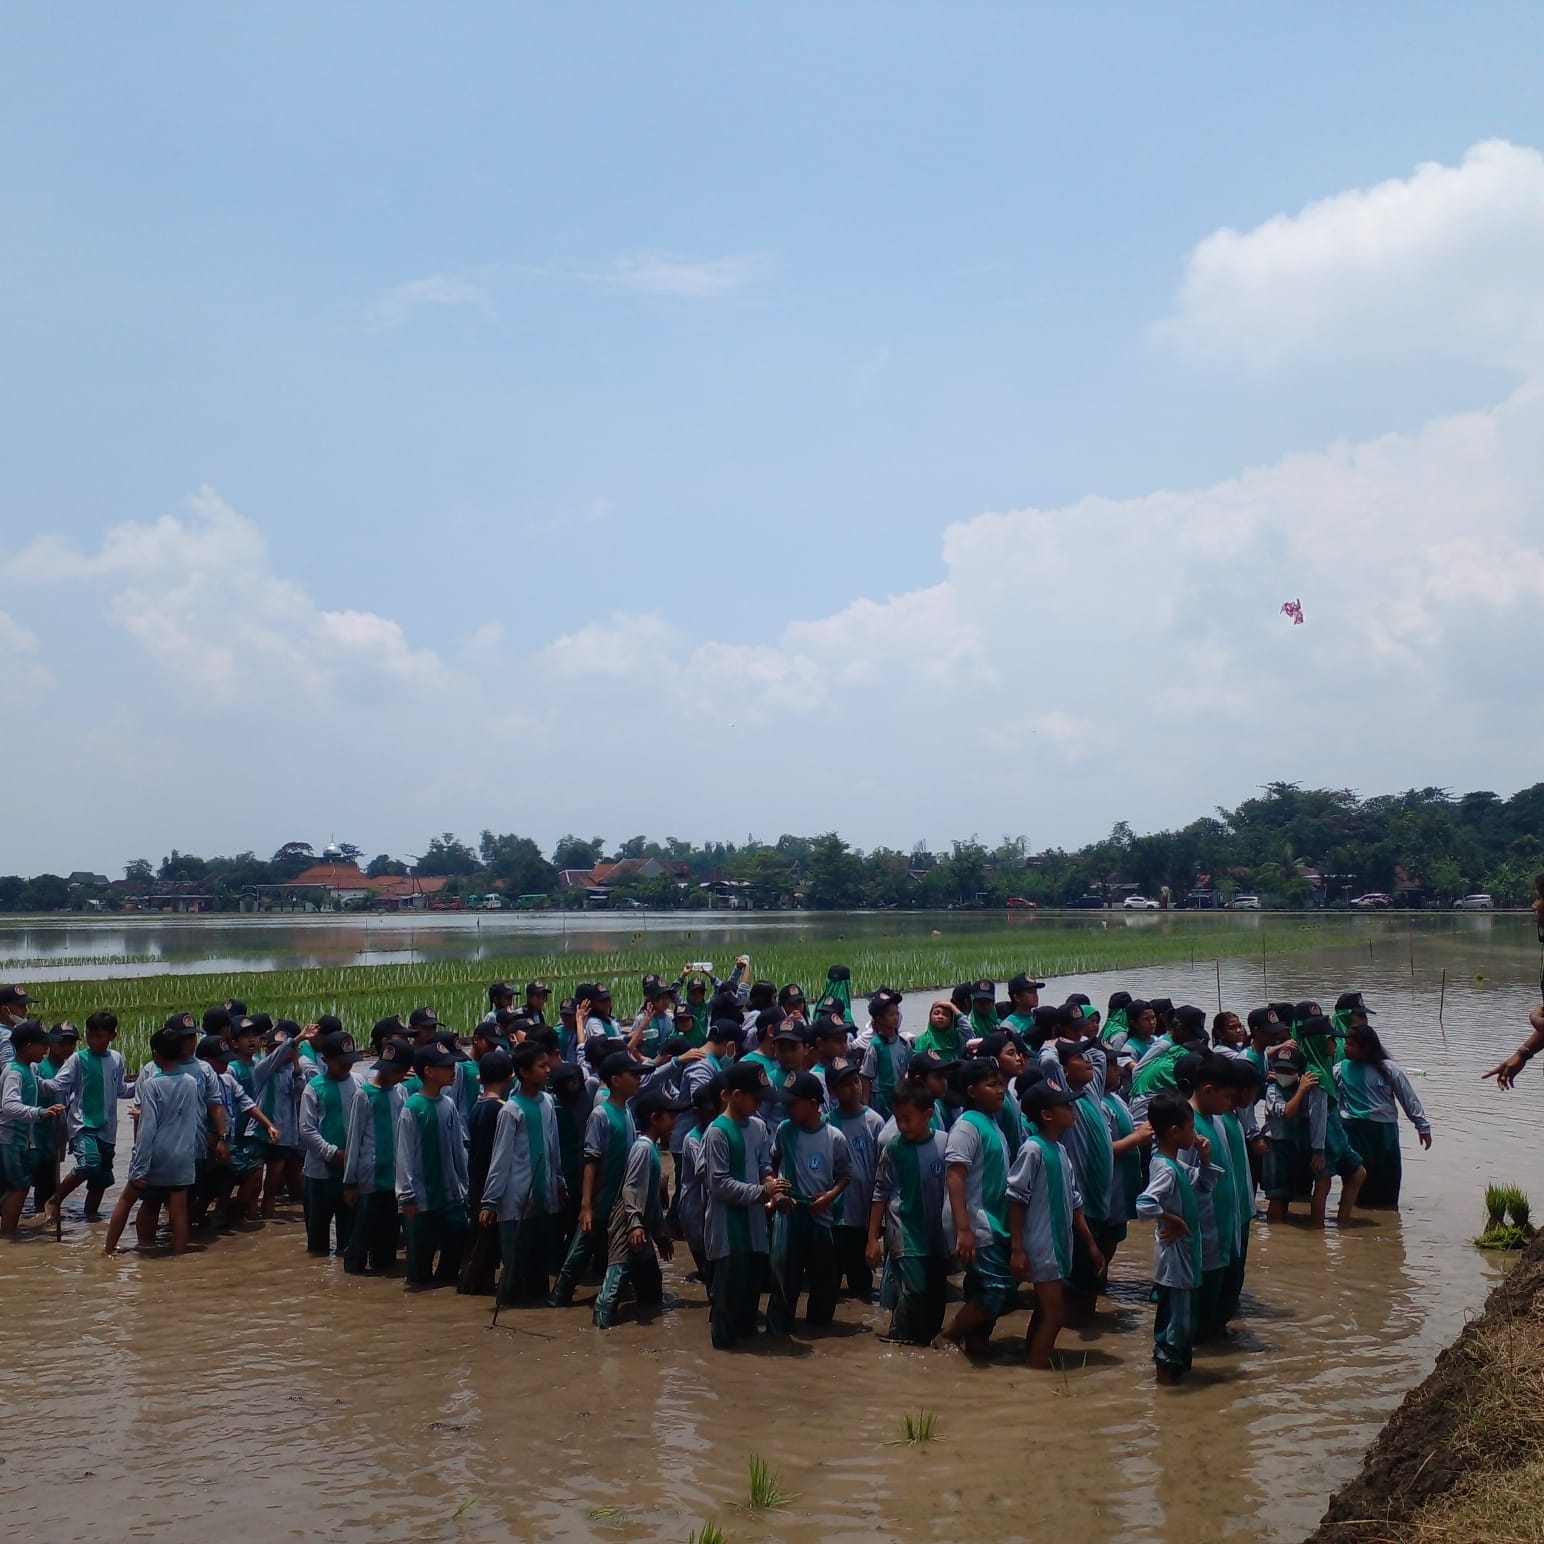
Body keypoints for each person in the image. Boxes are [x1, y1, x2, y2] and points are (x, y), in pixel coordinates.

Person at [1008, 1075, 1101, 1369]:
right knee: (1056, 1314)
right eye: (1065, 1106)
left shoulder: (1060, 1150)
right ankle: (1037, 1371)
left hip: (1059, 1244)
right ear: (1047, 1115)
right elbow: (1015, 1199)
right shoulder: (1032, 1149)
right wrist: (1018, 1249)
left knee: (1045, 1310)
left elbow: (1074, 1203)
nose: (1072, 1111)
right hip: (1041, 1245)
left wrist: (1091, 1245)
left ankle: (1033, 1356)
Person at [1136, 1091, 1219, 1384]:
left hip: (1184, 1260)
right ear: (1174, 1131)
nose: (1194, 1134)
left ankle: (1175, 1386)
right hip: (1175, 1263)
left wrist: (1205, 1159)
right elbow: (1144, 1204)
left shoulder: (1174, 1166)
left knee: (1182, 1324)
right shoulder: (1166, 1169)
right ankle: (1167, 1385)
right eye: (1190, 1128)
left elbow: (1203, 1185)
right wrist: (1170, 1218)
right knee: (1174, 1328)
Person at [704, 1061, 787, 1349]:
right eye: (756, 1098)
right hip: (727, 1233)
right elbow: (719, 1184)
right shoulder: (717, 1132)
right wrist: (763, 1192)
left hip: (754, 1230)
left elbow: (764, 1166)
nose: (760, 1104)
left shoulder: (758, 1127)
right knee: (725, 1307)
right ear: (736, 1095)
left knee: (749, 1306)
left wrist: (775, 1190)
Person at [550, 1051, 642, 1306]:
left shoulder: (626, 1111)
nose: (638, 1080)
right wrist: (587, 1205)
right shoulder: (601, 1114)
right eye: (633, 1075)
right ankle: (558, 1298)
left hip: (619, 1200)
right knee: (580, 1250)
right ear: (616, 1081)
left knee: (609, 1251)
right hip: (601, 1199)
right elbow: (591, 1160)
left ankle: (617, 1293)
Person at [104, 1026, 204, 1255]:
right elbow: (191, 1120)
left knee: (126, 1200)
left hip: (157, 1155)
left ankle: (107, 1250)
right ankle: (181, 1255)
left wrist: (139, 1165)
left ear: (155, 1054)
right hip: (182, 1155)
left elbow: (147, 1128)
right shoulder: (191, 1082)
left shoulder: (152, 1084)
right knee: (179, 1210)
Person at [480, 1043, 566, 1306]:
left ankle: (536, 1312)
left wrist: (558, 1181)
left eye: (547, 1065)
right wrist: (490, 1200)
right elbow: (501, 1157)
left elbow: (553, 1146)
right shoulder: (511, 1110)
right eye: (542, 1066)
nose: (548, 1070)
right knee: (514, 1267)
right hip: (516, 1201)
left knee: (540, 1267)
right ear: (524, 1072)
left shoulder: (548, 1102)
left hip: (543, 1197)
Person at [767, 1071, 851, 1334]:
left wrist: (830, 1196)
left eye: (792, 1103)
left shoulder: (834, 1137)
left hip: (820, 1216)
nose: (787, 1108)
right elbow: (771, 1164)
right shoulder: (784, 1130)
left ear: (813, 1104)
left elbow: (845, 1175)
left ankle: (820, 1333)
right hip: (789, 1215)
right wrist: (776, 1194)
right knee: (784, 1278)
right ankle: (779, 1331)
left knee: (824, 1282)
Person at [942, 1059, 1015, 1356]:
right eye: (991, 1085)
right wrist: (964, 1229)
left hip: (995, 1222)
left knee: (980, 1289)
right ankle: (947, 1335)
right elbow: (955, 1175)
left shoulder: (991, 1123)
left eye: (1001, 1084)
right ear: (972, 1091)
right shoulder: (967, 1126)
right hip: (978, 1224)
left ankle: (975, 1348)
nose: (1000, 1090)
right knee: (999, 1291)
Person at [868, 1084, 951, 1344]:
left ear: (928, 1114)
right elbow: (879, 1194)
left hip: (937, 1232)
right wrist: (872, 1239)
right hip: (904, 1230)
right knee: (914, 1289)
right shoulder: (893, 1149)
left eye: (908, 1119)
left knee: (936, 1292)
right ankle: (900, 1337)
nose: (902, 1126)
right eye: (898, 1120)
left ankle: (927, 1342)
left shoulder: (945, 1143)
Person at [594, 1090, 676, 1328]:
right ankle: (600, 1328)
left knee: (652, 1290)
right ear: (654, 1118)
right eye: (670, 1117)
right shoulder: (643, 1148)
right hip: (628, 1225)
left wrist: (661, 1236)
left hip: (642, 1226)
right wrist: (634, 1223)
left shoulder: (650, 1148)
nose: (674, 1123)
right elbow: (631, 1188)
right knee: (613, 1284)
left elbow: (651, 1199)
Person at [44, 1010, 135, 1224]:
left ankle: (91, 1220)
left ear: (112, 1036)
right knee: (89, 1163)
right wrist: (32, 1081)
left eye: (100, 1036)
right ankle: (55, 1200)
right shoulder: (78, 1059)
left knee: (100, 1179)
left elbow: (120, 1090)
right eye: (90, 1036)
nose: (94, 1041)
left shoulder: (116, 1058)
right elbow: (57, 1084)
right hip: (83, 1124)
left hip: (108, 1128)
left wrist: (143, 1084)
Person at [395, 1041, 470, 1289]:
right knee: (419, 1271)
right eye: (446, 1066)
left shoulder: (448, 1105)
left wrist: (464, 1186)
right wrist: (406, 1196)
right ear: (428, 1071)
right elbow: (404, 1155)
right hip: (420, 1201)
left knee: (452, 1259)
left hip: (450, 1197)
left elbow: (457, 1150)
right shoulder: (412, 1108)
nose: (453, 1070)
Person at [1336, 1022, 1431, 1207]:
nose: (1346, 1048)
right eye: (1346, 1044)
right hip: (1354, 1131)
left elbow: (1408, 1099)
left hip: (1383, 1132)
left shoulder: (1389, 1069)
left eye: (1351, 1044)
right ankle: (1356, 1214)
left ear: (1366, 1047)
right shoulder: (1340, 1069)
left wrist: (1422, 1126)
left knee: (1388, 1178)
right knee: (1356, 1178)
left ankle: (1387, 1212)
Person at [342, 1037, 415, 1275]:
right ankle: (354, 1269)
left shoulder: (401, 1092)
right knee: (363, 1230)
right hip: (369, 1177)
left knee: (388, 1231)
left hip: (393, 1177)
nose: (398, 1076)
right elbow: (354, 1139)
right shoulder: (363, 1095)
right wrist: (350, 1181)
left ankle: (383, 1265)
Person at [298, 1029, 364, 1258]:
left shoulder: (358, 1082)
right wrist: (333, 1153)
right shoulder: (314, 1088)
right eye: (340, 1062)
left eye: (349, 1061)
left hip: (350, 1172)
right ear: (325, 1060)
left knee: (349, 1239)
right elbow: (307, 1129)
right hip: (319, 1174)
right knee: (317, 1245)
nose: (346, 1066)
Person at [0, 1022, 66, 1234]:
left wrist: (65, 1081)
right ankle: (8, 1236)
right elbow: (9, 1105)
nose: (46, 1049)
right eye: (43, 1045)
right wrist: (39, 1112)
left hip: (17, 1138)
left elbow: (40, 1085)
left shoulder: (28, 1069)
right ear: (28, 1047)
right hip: (11, 1137)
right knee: (19, 1187)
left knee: (10, 1187)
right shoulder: (14, 1072)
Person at [459, 1047, 514, 1295]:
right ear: (510, 1077)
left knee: (479, 1242)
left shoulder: (479, 1105)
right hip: (492, 1187)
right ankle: (475, 1287)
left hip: (477, 1183)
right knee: (487, 1247)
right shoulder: (502, 1109)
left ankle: (472, 1289)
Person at [827, 1060, 883, 1300]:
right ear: (832, 1091)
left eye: (855, 1081)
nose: (854, 1087)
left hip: (862, 1213)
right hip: (835, 1214)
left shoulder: (874, 1122)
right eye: (846, 1084)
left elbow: (881, 1171)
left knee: (861, 1282)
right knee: (830, 1278)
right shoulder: (827, 1122)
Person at [676, 1074, 722, 1283]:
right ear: (697, 1112)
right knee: (704, 1260)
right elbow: (705, 1173)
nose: (714, 1116)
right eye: (710, 1112)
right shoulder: (693, 1140)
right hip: (694, 1204)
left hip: (709, 1203)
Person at [30, 1024, 75, 1213]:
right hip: (38, 1132)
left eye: (71, 1043)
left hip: (57, 1133)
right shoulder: (38, 1067)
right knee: (38, 1180)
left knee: (50, 1179)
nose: (66, 1047)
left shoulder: (71, 1068)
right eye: (61, 1042)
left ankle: (45, 1216)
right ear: (50, 1043)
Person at [858, 989, 908, 1116]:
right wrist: (866, 1106)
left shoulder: (904, 1043)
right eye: (891, 1014)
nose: (895, 1017)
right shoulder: (875, 1046)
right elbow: (866, 1078)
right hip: (881, 1098)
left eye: (897, 1013)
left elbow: (909, 1069)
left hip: (900, 1095)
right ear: (879, 1019)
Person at [912, 999, 968, 1065]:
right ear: (930, 1016)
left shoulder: (957, 1037)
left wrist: (952, 1007)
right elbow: (917, 1064)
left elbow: (968, 1030)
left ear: (951, 1019)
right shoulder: (923, 1040)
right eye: (936, 1013)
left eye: (945, 1014)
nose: (940, 1017)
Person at [0, 985, 37, 1069]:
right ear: (5, 1010)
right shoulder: (6, 1036)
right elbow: (9, 1067)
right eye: (21, 1006)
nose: (26, 1010)